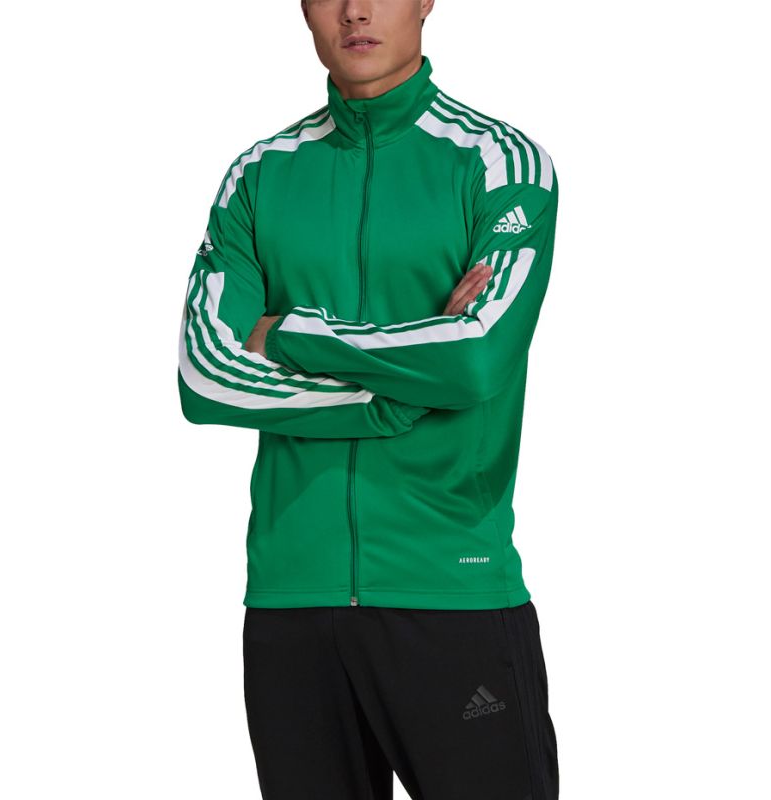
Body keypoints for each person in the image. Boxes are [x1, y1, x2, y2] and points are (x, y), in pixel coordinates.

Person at [177, 1, 560, 797]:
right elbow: (205, 371)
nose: (355, 9)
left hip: (450, 589)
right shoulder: (259, 174)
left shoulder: (501, 163)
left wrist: (285, 331)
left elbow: (477, 356)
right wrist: (391, 395)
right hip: (291, 602)